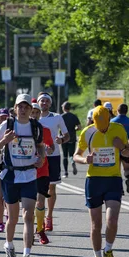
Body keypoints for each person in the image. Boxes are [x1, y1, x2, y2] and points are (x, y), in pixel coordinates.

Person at [0, 94, 46, 257]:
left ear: (31, 109)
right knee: (12, 218)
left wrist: (41, 159)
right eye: (20, 106)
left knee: (28, 215)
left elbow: (41, 146)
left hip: (29, 175)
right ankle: (9, 245)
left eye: (26, 107)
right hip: (10, 176)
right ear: (15, 108)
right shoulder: (8, 125)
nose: (23, 109)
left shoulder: (36, 127)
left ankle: (26, 255)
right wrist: (4, 140)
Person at [74, 106, 129, 257]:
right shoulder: (87, 132)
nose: (102, 129)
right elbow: (76, 155)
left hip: (113, 179)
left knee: (112, 220)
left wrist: (121, 146)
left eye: (104, 125)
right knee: (95, 224)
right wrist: (85, 160)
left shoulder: (118, 129)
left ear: (109, 119)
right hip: (94, 181)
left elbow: (128, 151)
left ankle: (108, 250)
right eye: (99, 126)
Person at [36, 92, 69, 232]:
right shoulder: (33, 118)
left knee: (51, 188)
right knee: (37, 189)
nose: (44, 103)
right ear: (38, 103)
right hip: (36, 156)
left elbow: (67, 135)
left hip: (53, 156)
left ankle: (49, 217)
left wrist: (61, 140)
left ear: (50, 103)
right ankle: (39, 218)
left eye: (46, 101)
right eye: (41, 101)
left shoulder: (57, 117)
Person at [30, 103, 55, 245]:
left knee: (40, 201)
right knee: (29, 204)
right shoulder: (22, 130)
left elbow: (51, 146)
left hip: (43, 171)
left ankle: (40, 230)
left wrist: (49, 150)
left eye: (36, 113)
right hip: (27, 171)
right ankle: (30, 229)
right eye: (32, 112)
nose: (34, 115)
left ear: (40, 114)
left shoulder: (45, 130)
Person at [111, 103, 129, 193]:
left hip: (115, 148)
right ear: (127, 111)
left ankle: (120, 187)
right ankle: (128, 179)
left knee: (117, 170)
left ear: (117, 111)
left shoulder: (112, 122)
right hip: (127, 148)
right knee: (127, 168)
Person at [60, 101, 81, 178]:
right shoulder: (74, 116)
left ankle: (65, 173)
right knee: (71, 155)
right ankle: (72, 162)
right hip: (72, 138)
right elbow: (79, 127)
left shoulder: (61, 117)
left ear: (63, 108)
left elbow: (57, 126)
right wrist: (74, 129)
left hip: (63, 138)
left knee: (65, 156)